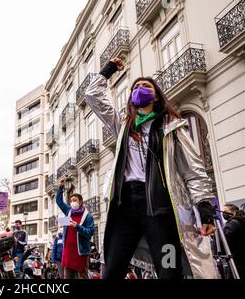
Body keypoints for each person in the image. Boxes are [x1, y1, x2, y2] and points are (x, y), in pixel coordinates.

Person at [85, 58, 218, 279]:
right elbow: (92, 96)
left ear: (156, 96)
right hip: (125, 208)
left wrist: (205, 209)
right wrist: (108, 69)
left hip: (160, 210)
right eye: (136, 87)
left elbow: (193, 171)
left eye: (146, 86)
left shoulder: (172, 128)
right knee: (112, 270)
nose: (140, 89)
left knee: (170, 269)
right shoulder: (122, 124)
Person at [56, 180, 94, 279]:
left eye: (75, 200)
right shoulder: (68, 211)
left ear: (80, 202)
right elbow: (59, 202)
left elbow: (90, 232)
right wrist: (60, 187)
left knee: (82, 276)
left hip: (80, 252)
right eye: (71, 200)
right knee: (67, 276)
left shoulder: (88, 216)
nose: (72, 202)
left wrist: (77, 226)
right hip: (68, 251)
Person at [222, 204, 245, 278]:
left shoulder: (232, 224)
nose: (223, 214)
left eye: (225, 211)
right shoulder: (241, 221)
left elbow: (225, 243)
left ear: (233, 212)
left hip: (236, 261)